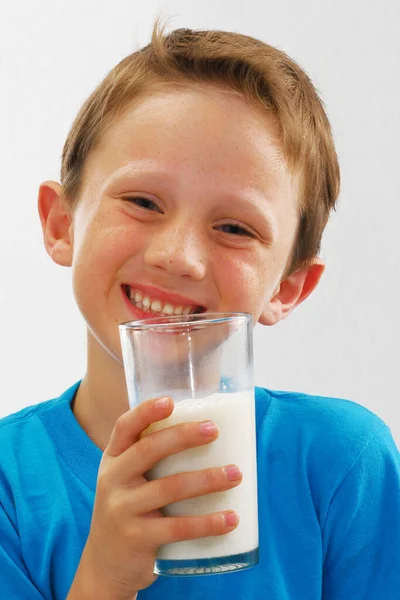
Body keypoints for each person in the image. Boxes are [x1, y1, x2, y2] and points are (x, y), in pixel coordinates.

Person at [0, 22, 399, 600]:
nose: (178, 257)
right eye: (142, 201)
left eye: (235, 228)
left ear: (288, 287)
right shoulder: (11, 486)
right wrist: (105, 579)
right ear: (61, 224)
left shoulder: (342, 465)